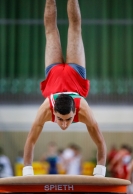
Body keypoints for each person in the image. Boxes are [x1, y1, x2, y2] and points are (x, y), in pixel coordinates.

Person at [23, 0, 106, 177]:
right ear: (54, 110)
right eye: (61, 119)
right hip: (75, 73)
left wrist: (100, 169)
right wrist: (27, 170)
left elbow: (100, 142)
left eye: (67, 119)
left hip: (53, 74)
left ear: (75, 109)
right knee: (74, 27)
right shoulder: (46, 109)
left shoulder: (83, 110)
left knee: (51, 30)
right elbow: (30, 140)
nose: (63, 124)